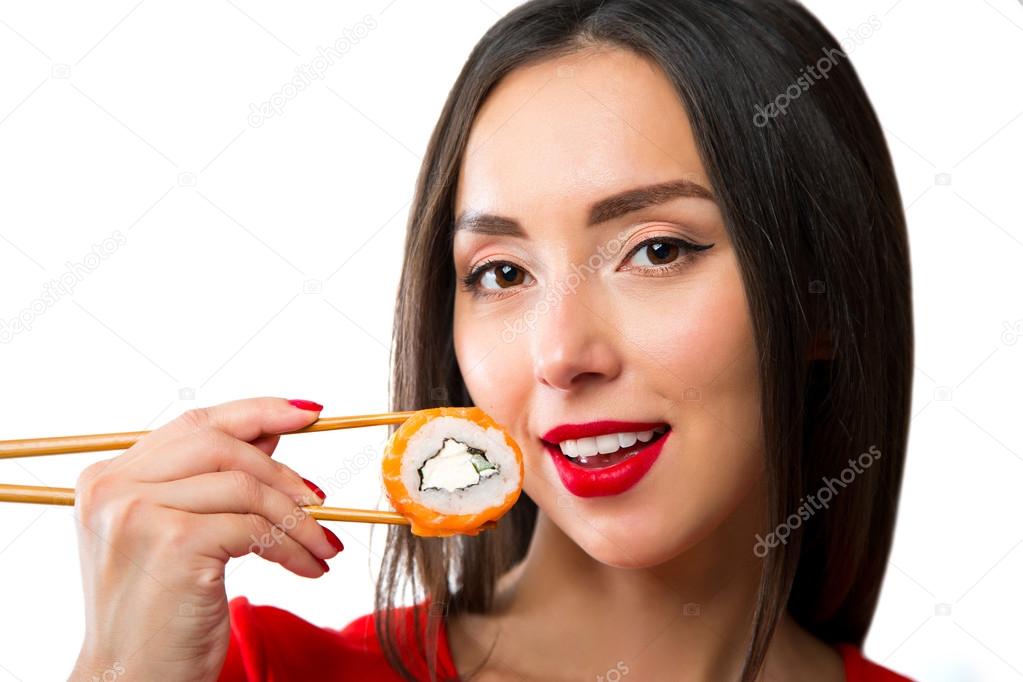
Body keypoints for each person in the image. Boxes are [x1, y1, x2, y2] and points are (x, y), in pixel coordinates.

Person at [71, 1, 916, 680]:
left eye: (656, 250)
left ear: (821, 300)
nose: (560, 354)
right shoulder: (250, 670)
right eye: (502, 273)